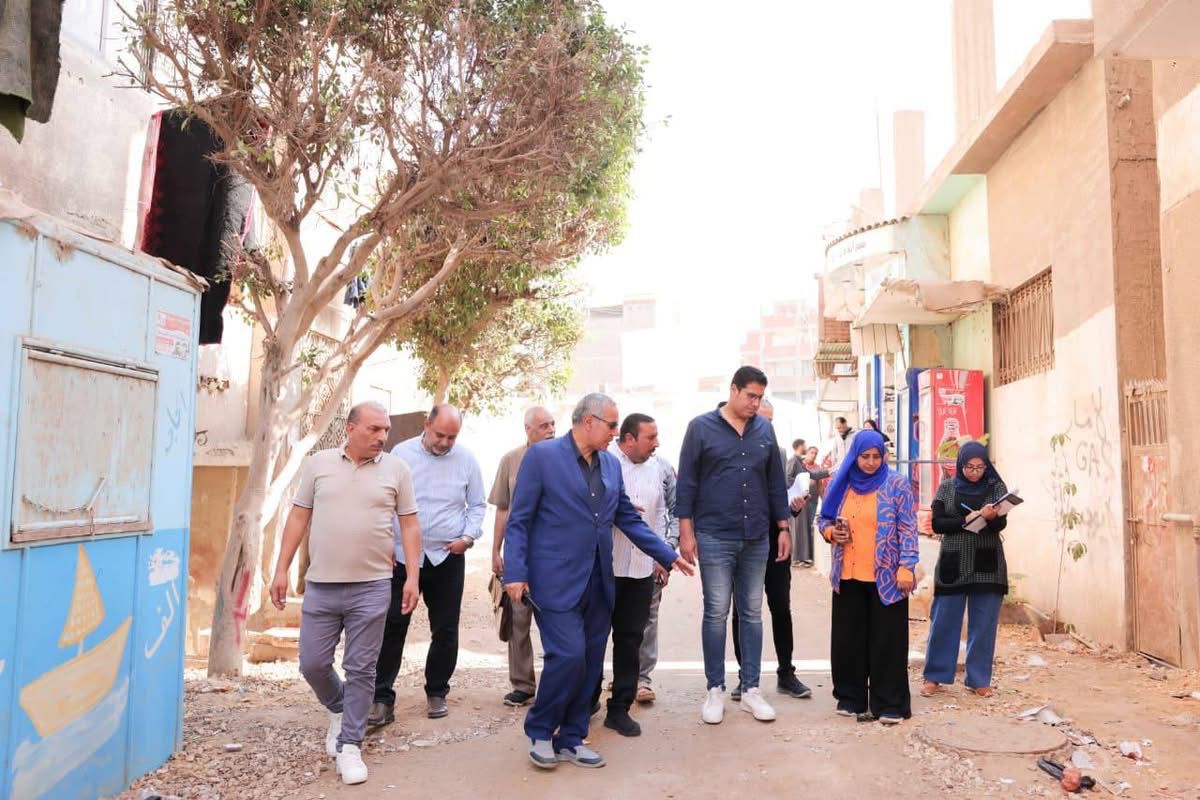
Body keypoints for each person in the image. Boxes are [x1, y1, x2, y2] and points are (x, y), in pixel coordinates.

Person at [502, 393, 695, 770]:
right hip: (554, 579)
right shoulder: (542, 457)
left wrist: (667, 554)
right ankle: (541, 730)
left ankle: (572, 738)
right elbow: (520, 519)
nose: (615, 433)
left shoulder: (609, 463)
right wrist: (515, 572)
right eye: (611, 425)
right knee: (568, 655)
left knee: (590, 661)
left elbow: (626, 516)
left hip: (598, 580)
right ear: (588, 421)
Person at [269, 402, 421, 786]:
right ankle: (339, 707)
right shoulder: (318, 464)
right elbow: (298, 516)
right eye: (374, 429)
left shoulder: (397, 470)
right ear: (350, 428)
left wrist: (412, 577)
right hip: (322, 584)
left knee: (361, 668)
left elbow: (409, 525)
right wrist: (281, 568)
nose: (382, 436)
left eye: (385, 430)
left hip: (372, 585)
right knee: (312, 663)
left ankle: (350, 744)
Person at [677, 366, 792, 725]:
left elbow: (775, 483)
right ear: (733, 390)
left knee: (752, 612)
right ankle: (715, 689)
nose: (755, 404)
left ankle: (751, 689)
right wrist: (685, 531)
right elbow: (687, 483)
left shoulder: (764, 430)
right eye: (750, 396)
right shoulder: (700, 428)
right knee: (716, 612)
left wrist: (783, 527)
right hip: (714, 534)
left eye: (760, 397)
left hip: (757, 535)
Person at [370, 404, 486, 726]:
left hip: (447, 558)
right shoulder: (400, 455)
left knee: (445, 628)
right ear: (426, 425)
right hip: (402, 557)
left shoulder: (467, 460)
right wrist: (384, 543)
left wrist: (468, 537)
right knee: (392, 625)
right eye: (440, 435)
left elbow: (477, 505)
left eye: (452, 437)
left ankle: (437, 691)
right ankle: (381, 698)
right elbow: (384, 502)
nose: (445, 442)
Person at [817, 430, 917, 725]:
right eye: (865, 457)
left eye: (877, 456)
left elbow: (908, 528)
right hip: (848, 574)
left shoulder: (897, 484)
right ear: (855, 456)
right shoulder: (841, 483)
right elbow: (823, 518)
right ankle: (851, 698)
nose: (871, 462)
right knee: (849, 640)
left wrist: (907, 566)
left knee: (888, 641)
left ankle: (889, 703)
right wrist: (829, 532)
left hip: (887, 576)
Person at [729, 398, 813, 701]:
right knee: (742, 611)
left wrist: (793, 507)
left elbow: (781, 497)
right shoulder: (731, 451)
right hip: (742, 542)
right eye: (760, 419)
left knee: (781, 606)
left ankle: (786, 673)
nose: (766, 426)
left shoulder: (778, 453)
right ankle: (745, 676)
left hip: (776, 540)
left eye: (770, 420)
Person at [598, 412, 674, 737]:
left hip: (641, 570)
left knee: (630, 640)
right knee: (595, 638)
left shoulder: (657, 468)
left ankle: (620, 708)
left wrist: (661, 555)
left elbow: (660, 512)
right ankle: (586, 701)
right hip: (606, 568)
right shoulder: (604, 463)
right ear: (629, 439)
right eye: (650, 438)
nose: (656, 444)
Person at [921, 442, 1009, 699]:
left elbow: (1001, 524)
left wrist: (991, 518)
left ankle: (978, 679)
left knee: (984, 623)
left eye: (980, 467)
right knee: (944, 620)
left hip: (987, 562)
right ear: (960, 465)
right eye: (969, 467)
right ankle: (935, 676)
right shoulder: (947, 487)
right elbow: (937, 524)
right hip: (954, 561)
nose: (974, 472)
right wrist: (965, 520)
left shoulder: (996, 487)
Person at [489, 406, 556, 708]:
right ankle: (523, 685)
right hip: (518, 553)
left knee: (555, 619)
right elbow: (503, 509)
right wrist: (496, 550)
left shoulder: (565, 458)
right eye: (544, 426)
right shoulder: (511, 460)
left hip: (552, 553)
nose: (551, 430)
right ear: (528, 429)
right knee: (517, 620)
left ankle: (558, 685)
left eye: (553, 424)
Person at [636, 453, 680, 703]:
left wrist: (666, 552)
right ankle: (622, 675)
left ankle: (642, 679)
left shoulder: (663, 468)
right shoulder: (611, 462)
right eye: (650, 437)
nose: (656, 443)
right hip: (615, 559)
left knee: (648, 617)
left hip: (653, 558)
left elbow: (676, 511)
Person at [789, 443, 830, 567]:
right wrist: (798, 489)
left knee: (808, 529)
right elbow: (788, 477)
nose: (813, 455)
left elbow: (816, 479)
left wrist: (830, 471)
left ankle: (807, 557)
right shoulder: (794, 461)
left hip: (811, 501)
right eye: (811, 452)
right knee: (798, 530)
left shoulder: (805, 465)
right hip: (799, 501)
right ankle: (798, 557)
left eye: (815, 453)